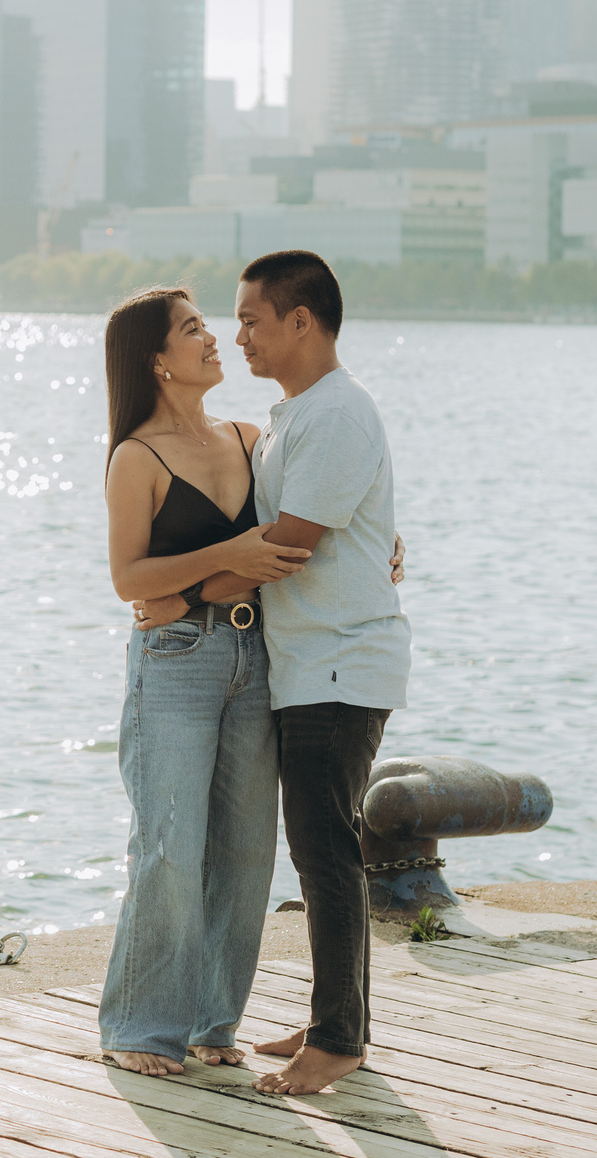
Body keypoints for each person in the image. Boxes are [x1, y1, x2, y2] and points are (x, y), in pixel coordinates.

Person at [176, 249, 410, 1096]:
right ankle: (333, 1018)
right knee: (321, 845)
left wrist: (182, 593)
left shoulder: (337, 413)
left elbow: (290, 547)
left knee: (324, 849)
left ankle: (340, 1039)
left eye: (251, 319)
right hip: (312, 663)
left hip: (341, 665)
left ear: (300, 320)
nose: (238, 335)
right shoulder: (294, 414)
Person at [97, 286, 315, 1078]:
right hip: (176, 663)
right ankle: (138, 1026)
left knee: (248, 850)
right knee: (167, 847)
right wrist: (226, 563)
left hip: (255, 662)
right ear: (158, 360)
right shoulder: (137, 456)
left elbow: (308, 521)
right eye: (193, 329)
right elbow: (130, 578)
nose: (214, 337)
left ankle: (209, 1021)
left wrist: (377, 547)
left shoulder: (250, 438)